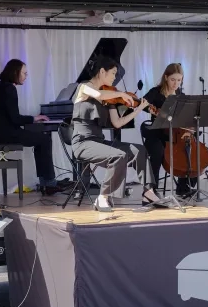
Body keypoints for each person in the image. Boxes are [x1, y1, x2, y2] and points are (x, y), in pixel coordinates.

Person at [71, 56, 164, 212]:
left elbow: (118, 123)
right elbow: (99, 95)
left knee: (139, 150)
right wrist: (121, 95)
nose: (115, 78)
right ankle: (103, 197)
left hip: (99, 142)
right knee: (119, 156)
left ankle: (148, 193)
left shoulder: (110, 99)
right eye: (113, 73)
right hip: (83, 143)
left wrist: (139, 109)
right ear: (102, 72)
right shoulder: (84, 87)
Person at [0, 59, 61, 195]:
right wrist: (34, 118)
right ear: (16, 72)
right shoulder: (9, 88)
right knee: (44, 140)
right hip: (8, 134)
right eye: (24, 73)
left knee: (40, 139)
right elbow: (15, 119)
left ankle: (45, 183)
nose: (26, 76)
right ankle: (49, 183)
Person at [141, 63, 198, 197]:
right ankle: (151, 190)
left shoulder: (180, 95)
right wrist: (153, 110)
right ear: (166, 77)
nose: (176, 83)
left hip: (175, 135)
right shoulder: (155, 92)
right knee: (157, 150)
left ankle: (184, 186)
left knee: (191, 149)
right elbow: (142, 104)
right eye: (173, 79)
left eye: (179, 80)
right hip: (157, 134)